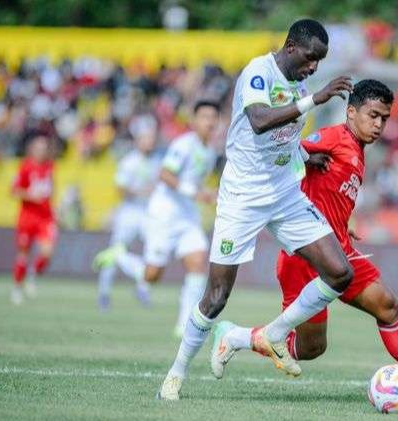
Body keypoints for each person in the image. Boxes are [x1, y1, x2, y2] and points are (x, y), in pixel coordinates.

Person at [210, 79, 398, 401]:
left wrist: (344, 222)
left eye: (384, 118)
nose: (378, 124)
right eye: (372, 115)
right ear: (351, 111)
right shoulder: (334, 137)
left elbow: (328, 191)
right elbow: (287, 149)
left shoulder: (358, 151)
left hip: (339, 246)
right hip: (306, 255)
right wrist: (300, 158)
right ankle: (235, 336)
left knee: (387, 306)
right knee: (312, 347)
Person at [157, 19, 357, 400]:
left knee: (339, 272)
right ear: (293, 47)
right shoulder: (258, 72)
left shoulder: (298, 81)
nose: (314, 68)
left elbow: (283, 136)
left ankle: (274, 333)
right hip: (242, 198)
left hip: (285, 194)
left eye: (319, 62)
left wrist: (303, 156)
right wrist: (316, 98)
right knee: (216, 297)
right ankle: (176, 373)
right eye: (312, 59)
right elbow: (261, 121)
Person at [94, 102, 220, 336]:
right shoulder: (183, 145)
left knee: (198, 263)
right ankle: (119, 256)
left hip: (188, 215)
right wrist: (197, 193)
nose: (209, 122)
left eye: (213, 117)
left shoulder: (210, 151)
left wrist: (207, 194)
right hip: (165, 213)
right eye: (204, 116)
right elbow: (165, 175)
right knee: (152, 275)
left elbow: (194, 181)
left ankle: (184, 325)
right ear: (193, 121)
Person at [93, 115, 161, 311]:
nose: (150, 142)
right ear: (138, 140)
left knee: (153, 251)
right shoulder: (129, 162)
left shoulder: (158, 160)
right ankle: (104, 292)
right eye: (146, 138)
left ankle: (143, 288)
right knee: (114, 252)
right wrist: (142, 191)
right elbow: (121, 189)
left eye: (152, 138)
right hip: (130, 212)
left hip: (149, 212)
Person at [10, 134, 57, 305]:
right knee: (23, 254)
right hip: (28, 217)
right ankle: (16, 287)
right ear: (32, 150)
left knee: (47, 252)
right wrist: (30, 195)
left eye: (45, 148)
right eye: (39, 148)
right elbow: (14, 191)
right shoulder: (25, 167)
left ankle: (32, 275)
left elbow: (51, 187)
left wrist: (54, 205)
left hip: (45, 217)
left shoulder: (50, 166)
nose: (42, 151)